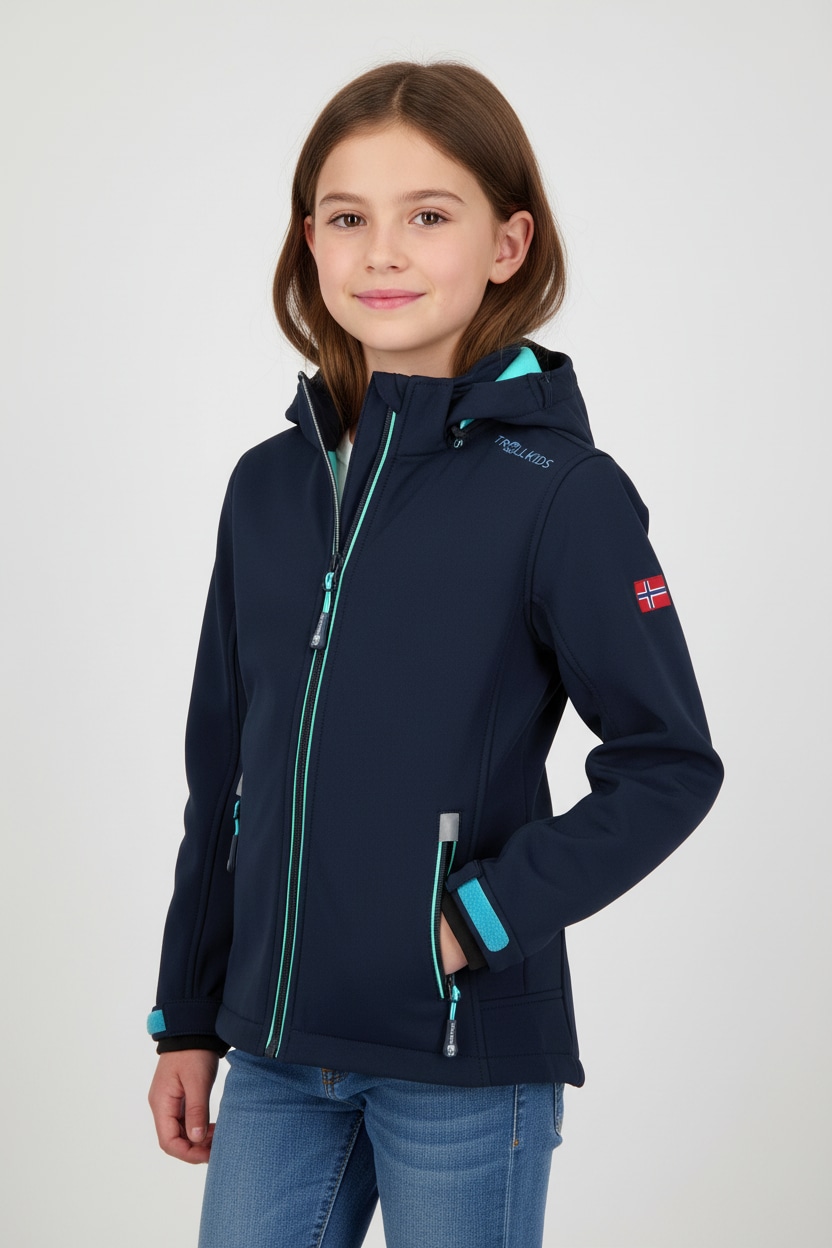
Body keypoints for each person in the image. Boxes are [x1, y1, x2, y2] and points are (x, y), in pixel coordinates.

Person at [147, 60, 723, 1248]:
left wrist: (478, 919)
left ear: (507, 243)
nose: (381, 253)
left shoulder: (560, 493)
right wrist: (188, 1015)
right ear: (308, 240)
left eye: (427, 216)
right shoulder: (267, 488)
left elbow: (668, 763)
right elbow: (224, 775)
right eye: (346, 218)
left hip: (462, 1060)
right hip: (273, 1056)